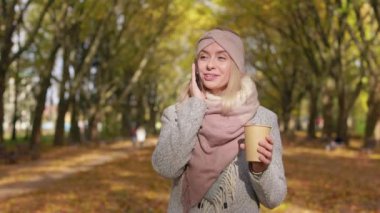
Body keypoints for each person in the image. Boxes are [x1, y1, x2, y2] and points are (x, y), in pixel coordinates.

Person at [152, 28, 287, 212]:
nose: (210, 65)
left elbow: (274, 199)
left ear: (236, 65)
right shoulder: (176, 114)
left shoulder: (262, 118)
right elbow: (166, 168)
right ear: (195, 65)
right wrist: (195, 107)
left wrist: (260, 169)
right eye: (204, 57)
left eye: (221, 58)